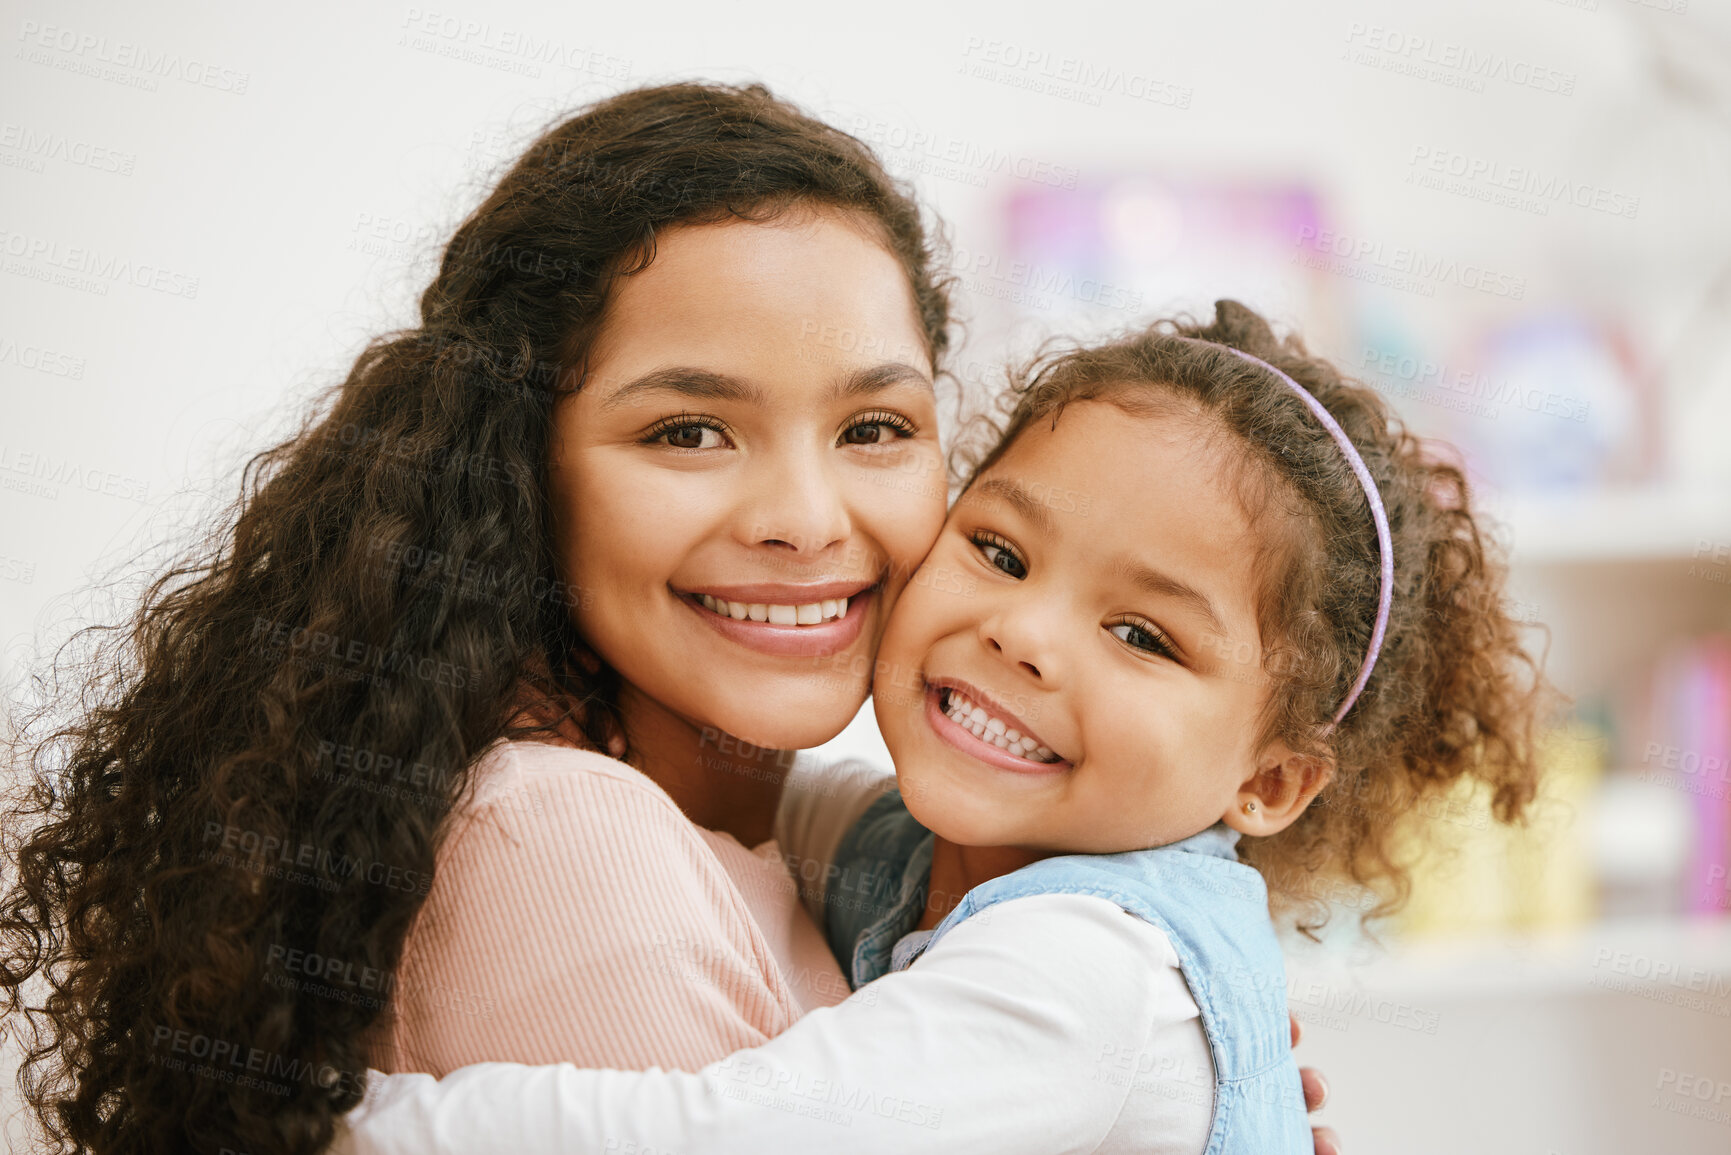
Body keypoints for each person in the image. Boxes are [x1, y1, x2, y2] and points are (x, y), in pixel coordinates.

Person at [0, 81, 1333, 1154]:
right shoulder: (572, 841)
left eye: (873, 426)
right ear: (516, 461)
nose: (806, 516)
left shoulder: (807, 823)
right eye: (688, 429)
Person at [332, 301, 1547, 1153]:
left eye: (1143, 636)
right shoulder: (936, 851)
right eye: (1003, 552)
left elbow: (722, 1134)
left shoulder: (1082, 979)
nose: (1026, 635)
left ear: (1272, 784)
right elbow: (790, 806)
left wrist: (363, 1128)